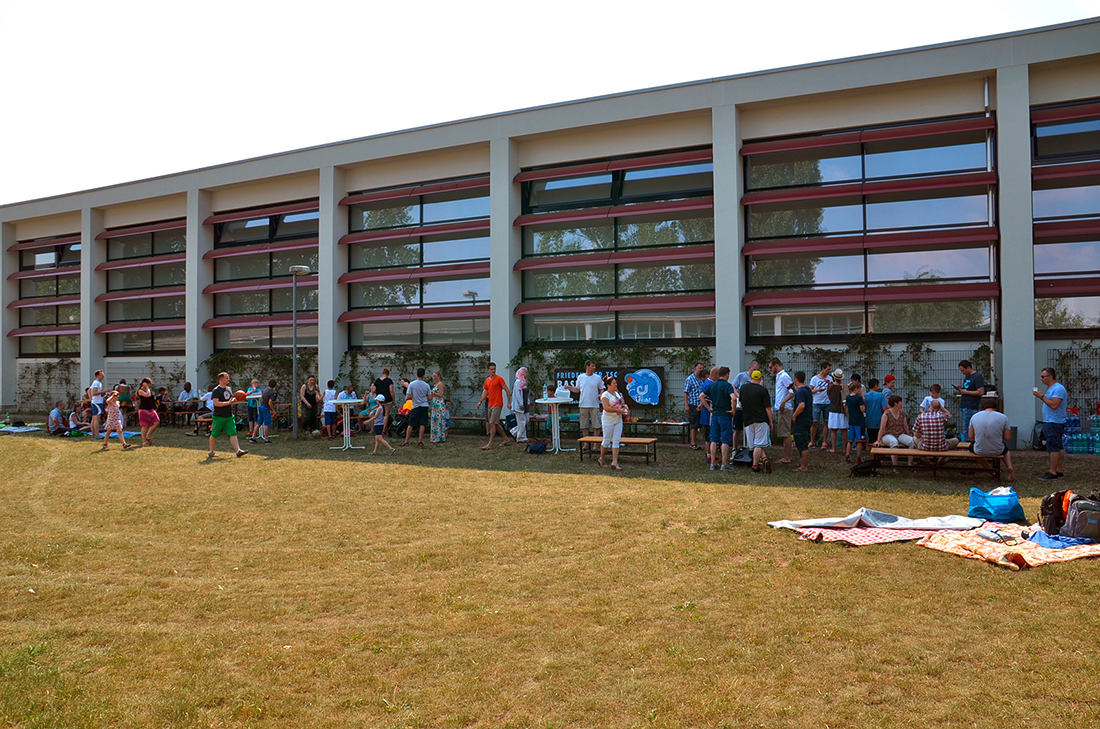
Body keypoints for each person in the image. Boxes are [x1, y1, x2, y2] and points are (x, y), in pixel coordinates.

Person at [969, 396, 1015, 482]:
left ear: (982, 407)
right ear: (995, 407)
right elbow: (1008, 438)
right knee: (1006, 450)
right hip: (997, 449)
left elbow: (971, 436)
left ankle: (990, 470)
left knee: (974, 451)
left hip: (979, 449)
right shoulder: (1003, 417)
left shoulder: (975, 416)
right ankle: (1009, 467)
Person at [1036, 366, 1067, 481]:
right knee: (1058, 446)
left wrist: (1041, 396)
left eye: (1043, 376)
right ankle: (1058, 470)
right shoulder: (1052, 388)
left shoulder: (1058, 389)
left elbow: (1054, 405)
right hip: (1051, 421)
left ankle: (1053, 472)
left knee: (1053, 447)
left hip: (1054, 422)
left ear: (1050, 377)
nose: (1041, 379)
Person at [701, 366, 735, 471]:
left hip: (715, 414)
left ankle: (712, 463)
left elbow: (701, 396)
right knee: (725, 440)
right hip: (725, 414)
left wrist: (708, 408)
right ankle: (724, 464)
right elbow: (734, 398)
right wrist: (733, 410)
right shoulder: (728, 386)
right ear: (727, 375)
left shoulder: (712, 385)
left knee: (713, 439)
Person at [566, 360, 606, 450]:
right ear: (587, 366)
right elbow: (577, 389)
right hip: (583, 404)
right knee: (584, 426)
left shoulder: (597, 378)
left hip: (594, 405)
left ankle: (595, 445)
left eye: (594, 366)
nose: (594, 368)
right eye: (592, 366)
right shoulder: (581, 377)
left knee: (596, 426)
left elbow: (601, 389)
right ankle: (586, 444)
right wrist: (569, 387)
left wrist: (601, 394)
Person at [740, 369, 774, 473]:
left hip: (747, 420)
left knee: (754, 445)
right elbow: (768, 408)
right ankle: (755, 466)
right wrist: (771, 421)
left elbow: (741, 402)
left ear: (751, 377)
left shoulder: (743, 388)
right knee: (759, 444)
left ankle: (764, 459)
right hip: (761, 419)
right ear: (760, 379)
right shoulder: (763, 390)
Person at [208, 372, 247, 458]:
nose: (229, 379)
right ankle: (211, 451)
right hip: (219, 416)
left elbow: (231, 400)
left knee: (233, 433)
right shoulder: (216, 390)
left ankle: (238, 451)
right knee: (214, 434)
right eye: (227, 378)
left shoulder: (228, 389)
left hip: (229, 416)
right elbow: (216, 403)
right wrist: (228, 403)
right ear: (221, 379)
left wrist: (239, 398)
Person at [475, 362, 510, 450]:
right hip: (490, 404)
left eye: (494, 369)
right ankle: (506, 438)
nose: (493, 371)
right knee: (495, 423)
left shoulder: (499, 379)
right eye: (491, 369)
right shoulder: (487, 380)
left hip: (497, 404)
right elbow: (485, 392)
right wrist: (480, 401)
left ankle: (490, 444)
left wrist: (509, 402)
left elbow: (507, 390)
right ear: (488, 370)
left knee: (492, 423)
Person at [875, 395, 915, 469]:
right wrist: (878, 440)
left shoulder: (902, 413)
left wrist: (908, 435)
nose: (902, 403)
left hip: (900, 434)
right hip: (887, 434)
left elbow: (905, 426)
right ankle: (895, 466)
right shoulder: (887, 413)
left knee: (912, 442)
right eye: (900, 402)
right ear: (895, 403)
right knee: (894, 443)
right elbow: (882, 427)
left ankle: (910, 464)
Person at [599, 376, 629, 471]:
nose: (616, 384)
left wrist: (625, 407)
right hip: (608, 420)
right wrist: (619, 411)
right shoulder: (605, 395)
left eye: (616, 382)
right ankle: (601, 458)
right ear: (608, 385)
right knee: (606, 441)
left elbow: (622, 404)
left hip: (618, 420)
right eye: (614, 383)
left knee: (616, 441)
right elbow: (606, 408)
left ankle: (614, 462)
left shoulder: (619, 394)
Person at [769, 357, 794, 464]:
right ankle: (787, 456)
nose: (770, 369)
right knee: (784, 433)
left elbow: (792, 391)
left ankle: (787, 457)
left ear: (776, 366)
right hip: (781, 408)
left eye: (771, 367)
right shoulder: (779, 376)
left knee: (786, 433)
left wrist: (783, 402)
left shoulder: (784, 376)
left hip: (785, 408)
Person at [954, 360, 985, 442]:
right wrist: (960, 389)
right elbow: (968, 389)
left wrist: (966, 392)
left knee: (968, 427)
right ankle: (968, 442)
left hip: (971, 406)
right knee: (965, 426)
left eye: (963, 370)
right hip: (964, 405)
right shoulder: (967, 377)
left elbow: (980, 392)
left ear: (968, 368)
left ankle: (969, 443)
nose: (962, 372)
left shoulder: (977, 377)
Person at [731, 359, 759, 450]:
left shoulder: (757, 379)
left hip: (750, 407)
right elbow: (734, 387)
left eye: (757, 370)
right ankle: (734, 448)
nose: (755, 372)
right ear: (750, 367)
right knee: (737, 429)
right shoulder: (741, 376)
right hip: (740, 406)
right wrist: (738, 396)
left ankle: (751, 447)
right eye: (754, 369)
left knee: (751, 428)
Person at [790, 371, 814, 473]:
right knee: (801, 441)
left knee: (802, 443)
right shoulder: (807, 389)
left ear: (796, 379)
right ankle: (802, 463)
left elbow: (801, 405)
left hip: (801, 420)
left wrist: (794, 415)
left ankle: (804, 466)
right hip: (808, 419)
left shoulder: (801, 392)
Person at [404, 368, 432, 447]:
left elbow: (408, 396)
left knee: (411, 424)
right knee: (422, 424)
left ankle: (406, 441)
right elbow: (430, 397)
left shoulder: (412, 384)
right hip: (424, 406)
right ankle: (420, 441)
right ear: (424, 375)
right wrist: (424, 399)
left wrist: (414, 398)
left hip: (416, 406)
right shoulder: (426, 385)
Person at [682, 362, 706, 451]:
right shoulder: (690, 379)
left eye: (702, 368)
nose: (701, 370)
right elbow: (686, 392)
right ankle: (693, 443)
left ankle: (703, 442)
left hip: (702, 405)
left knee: (701, 424)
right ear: (695, 368)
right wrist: (686, 405)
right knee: (694, 424)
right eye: (699, 368)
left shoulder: (701, 379)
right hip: (693, 404)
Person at [809, 362, 832, 449]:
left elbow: (833, 389)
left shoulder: (830, 378)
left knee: (826, 422)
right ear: (823, 368)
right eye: (827, 369)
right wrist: (818, 390)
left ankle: (824, 442)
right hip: (817, 403)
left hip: (827, 403)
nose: (828, 371)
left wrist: (830, 384)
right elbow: (810, 390)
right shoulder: (814, 379)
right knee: (814, 422)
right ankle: (812, 441)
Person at [844, 382, 867, 463]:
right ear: (856, 389)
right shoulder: (859, 398)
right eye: (859, 389)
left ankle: (847, 456)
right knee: (859, 440)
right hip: (859, 421)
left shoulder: (848, 397)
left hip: (851, 421)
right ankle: (858, 457)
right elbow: (862, 409)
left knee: (850, 440)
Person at [826, 369, 847, 453]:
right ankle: (844, 448)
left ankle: (833, 448)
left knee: (833, 430)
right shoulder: (844, 387)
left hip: (833, 409)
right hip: (842, 410)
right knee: (844, 430)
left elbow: (829, 397)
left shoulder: (830, 386)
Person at [699, 366, 718, 454]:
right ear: (715, 374)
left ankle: (711, 453)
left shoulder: (710, 383)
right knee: (709, 434)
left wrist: (701, 405)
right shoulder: (709, 384)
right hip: (708, 414)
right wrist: (708, 408)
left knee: (711, 433)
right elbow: (702, 397)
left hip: (708, 412)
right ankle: (709, 453)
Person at [136, 377, 160, 447]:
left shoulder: (148, 390)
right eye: (149, 383)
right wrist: (146, 387)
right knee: (144, 426)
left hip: (150, 409)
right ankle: (144, 441)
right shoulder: (140, 391)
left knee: (156, 422)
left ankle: (148, 435)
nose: (150, 385)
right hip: (143, 410)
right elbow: (148, 395)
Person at [372, 368, 396, 434]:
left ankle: (377, 427)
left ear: (382, 373)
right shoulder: (389, 381)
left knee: (379, 413)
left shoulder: (377, 381)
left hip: (379, 400)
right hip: (387, 399)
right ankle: (384, 429)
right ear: (388, 374)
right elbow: (391, 391)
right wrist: (393, 399)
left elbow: (374, 390)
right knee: (386, 414)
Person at [509, 367, 529, 444]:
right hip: (519, 404)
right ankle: (521, 437)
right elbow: (518, 394)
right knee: (522, 421)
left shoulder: (524, 382)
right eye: (526, 372)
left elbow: (525, 394)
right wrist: (521, 403)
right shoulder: (518, 382)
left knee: (526, 420)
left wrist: (528, 402)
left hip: (524, 403)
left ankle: (514, 431)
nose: (527, 374)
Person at [864, 378, 886, 446]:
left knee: (871, 437)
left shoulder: (865, 396)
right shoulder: (881, 395)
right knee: (878, 438)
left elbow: (864, 408)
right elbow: (884, 407)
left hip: (869, 420)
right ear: (876, 385)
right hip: (879, 420)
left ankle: (871, 448)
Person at [431, 371, 450, 444]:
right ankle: (434, 436)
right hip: (435, 403)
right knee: (435, 419)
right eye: (433, 376)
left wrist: (433, 393)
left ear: (438, 377)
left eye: (435, 376)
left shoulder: (440, 384)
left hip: (439, 403)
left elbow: (441, 394)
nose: (434, 378)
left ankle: (439, 437)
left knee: (439, 420)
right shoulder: (435, 385)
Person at [258, 379, 277, 444]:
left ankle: (253, 437)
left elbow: (262, 398)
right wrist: (273, 410)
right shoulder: (271, 392)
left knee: (259, 423)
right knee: (266, 423)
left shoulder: (265, 389)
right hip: (265, 408)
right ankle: (266, 439)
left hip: (261, 406)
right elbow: (269, 402)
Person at [89, 369, 106, 439]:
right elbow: (94, 393)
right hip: (97, 402)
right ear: (97, 375)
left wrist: (91, 399)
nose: (103, 376)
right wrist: (103, 391)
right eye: (101, 375)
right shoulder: (96, 383)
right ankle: (96, 434)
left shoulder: (96, 383)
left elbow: (89, 391)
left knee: (94, 418)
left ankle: (93, 433)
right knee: (96, 418)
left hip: (95, 401)